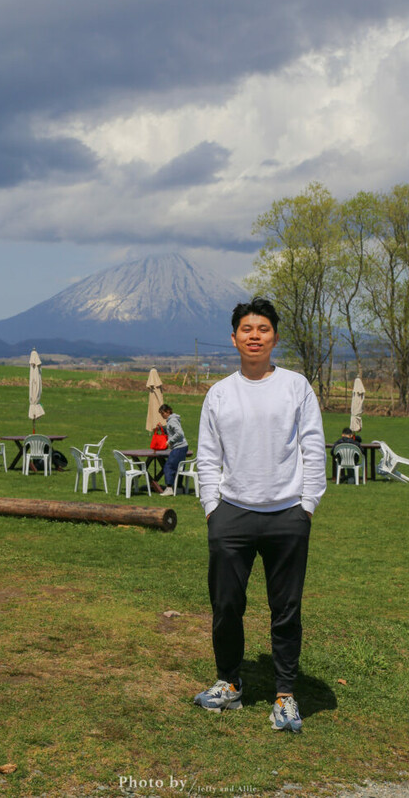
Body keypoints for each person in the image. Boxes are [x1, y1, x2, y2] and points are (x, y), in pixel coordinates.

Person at [195, 297, 326, 732]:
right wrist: (213, 508)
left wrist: (306, 506)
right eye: (247, 329)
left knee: (286, 608)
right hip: (231, 514)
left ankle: (285, 695)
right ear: (234, 338)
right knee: (226, 605)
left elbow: (312, 447)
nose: (255, 335)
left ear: (275, 337)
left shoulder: (295, 386)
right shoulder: (219, 393)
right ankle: (230, 683)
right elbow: (208, 457)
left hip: (287, 513)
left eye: (263, 329)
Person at [158, 404, 189, 496]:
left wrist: (169, 441)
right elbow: (172, 431)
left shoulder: (172, 421)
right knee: (179, 467)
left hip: (179, 446)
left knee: (169, 466)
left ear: (168, 411)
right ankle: (179, 488)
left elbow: (179, 433)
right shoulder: (172, 420)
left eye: (162, 413)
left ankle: (169, 488)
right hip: (183, 446)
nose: (162, 415)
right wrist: (162, 428)